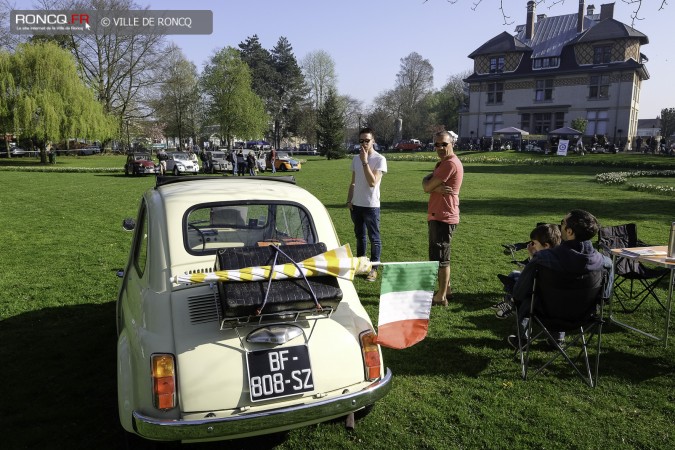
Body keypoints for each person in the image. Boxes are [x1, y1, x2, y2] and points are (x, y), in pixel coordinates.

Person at [507, 209, 611, 349]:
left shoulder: (544, 258)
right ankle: (557, 340)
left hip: (547, 314)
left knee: (518, 292)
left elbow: (519, 293)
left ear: (569, 232)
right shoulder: (604, 262)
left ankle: (522, 339)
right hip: (583, 317)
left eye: (562, 223)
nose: (560, 226)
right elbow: (605, 297)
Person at [422, 130, 464, 306]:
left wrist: (431, 187)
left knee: (440, 259)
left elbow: (426, 186)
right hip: (440, 214)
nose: (439, 147)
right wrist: (433, 187)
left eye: (444, 144)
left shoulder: (449, 164)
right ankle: (446, 289)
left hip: (443, 216)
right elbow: (428, 183)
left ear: (452, 143)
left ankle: (440, 297)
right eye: (436, 144)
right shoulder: (443, 163)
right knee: (441, 256)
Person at [493, 223, 562, 319]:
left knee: (514, 285)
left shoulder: (540, 261)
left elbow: (526, 283)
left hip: (539, 304)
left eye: (535, 243)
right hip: (560, 303)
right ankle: (507, 303)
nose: (533, 246)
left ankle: (509, 304)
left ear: (546, 245)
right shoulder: (561, 256)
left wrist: (532, 257)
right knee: (514, 275)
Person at [346, 127, 387, 282]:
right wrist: (349, 200)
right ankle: (362, 265)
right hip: (356, 205)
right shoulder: (355, 159)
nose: (364, 144)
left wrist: (365, 162)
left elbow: (372, 182)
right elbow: (353, 182)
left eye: (367, 141)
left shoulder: (379, 159)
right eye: (361, 141)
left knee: (374, 238)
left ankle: (374, 269)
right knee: (360, 237)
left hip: (371, 206)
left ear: (373, 141)